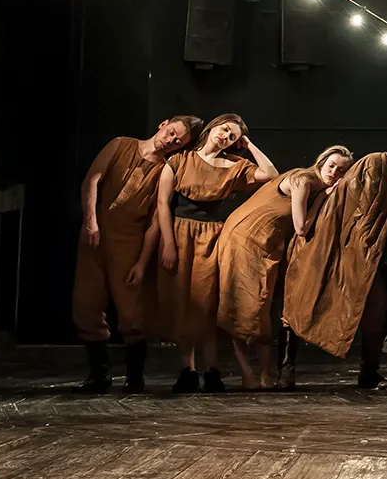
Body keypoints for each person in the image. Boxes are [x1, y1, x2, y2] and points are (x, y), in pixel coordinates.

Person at [284, 149, 387, 389]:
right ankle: (286, 369)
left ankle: (369, 371)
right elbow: (358, 218)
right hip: (326, 245)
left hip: (365, 256)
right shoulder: (374, 167)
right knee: (301, 302)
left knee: (377, 305)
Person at [142, 114, 278, 394]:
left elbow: (271, 174)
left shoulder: (234, 165)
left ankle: (211, 369)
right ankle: (188, 370)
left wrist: (248, 144)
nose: (225, 136)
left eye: (232, 136)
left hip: (212, 236)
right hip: (179, 233)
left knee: (206, 304)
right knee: (181, 302)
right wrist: (169, 243)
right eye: (225, 129)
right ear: (214, 125)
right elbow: (163, 204)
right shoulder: (180, 160)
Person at [73, 115, 203, 393]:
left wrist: (142, 263)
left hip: (129, 243)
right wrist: (90, 221)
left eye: (178, 141)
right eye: (171, 132)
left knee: (132, 312)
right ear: (163, 124)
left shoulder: (165, 170)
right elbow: (92, 180)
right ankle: (99, 375)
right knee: (86, 303)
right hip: (95, 235)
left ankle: (135, 378)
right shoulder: (121, 145)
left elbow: (156, 220)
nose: (171, 140)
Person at [217, 145, 353, 390]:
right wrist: (321, 199)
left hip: (266, 243)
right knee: (244, 308)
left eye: (341, 170)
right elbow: (301, 228)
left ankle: (264, 373)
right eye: (331, 166)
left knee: (262, 307)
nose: (334, 172)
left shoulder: (315, 186)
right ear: (321, 162)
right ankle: (248, 374)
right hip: (244, 238)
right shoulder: (303, 180)